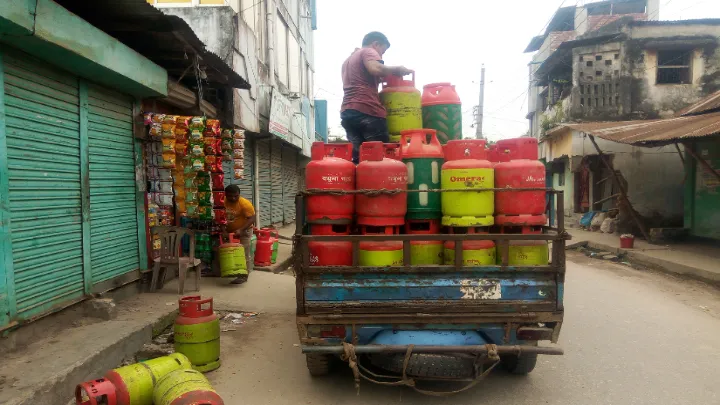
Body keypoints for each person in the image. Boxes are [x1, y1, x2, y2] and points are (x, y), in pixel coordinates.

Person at [341, 31, 414, 163]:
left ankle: (363, 183)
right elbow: (375, 69)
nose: (380, 56)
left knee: (360, 160)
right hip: (368, 112)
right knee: (381, 159)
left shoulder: (349, 60)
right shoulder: (369, 51)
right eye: (382, 51)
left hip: (348, 113)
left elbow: (362, 79)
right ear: (376, 44)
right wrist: (397, 69)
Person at [224, 184, 256, 284]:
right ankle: (229, 271)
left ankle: (243, 275)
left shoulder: (245, 203)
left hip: (244, 230)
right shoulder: (222, 201)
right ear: (225, 195)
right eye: (230, 196)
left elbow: (252, 218)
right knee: (227, 252)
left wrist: (241, 230)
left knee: (243, 252)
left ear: (239, 195)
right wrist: (223, 230)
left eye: (236, 196)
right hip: (229, 231)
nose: (233, 198)